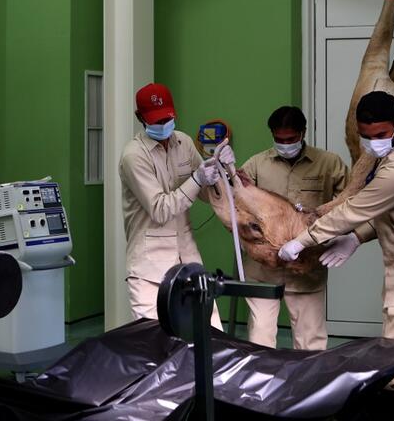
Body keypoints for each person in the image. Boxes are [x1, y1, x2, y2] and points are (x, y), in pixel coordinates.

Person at [278, 91, 394, 412]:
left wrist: (302, 240)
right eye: (365, 136)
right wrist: (357, 237)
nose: (372, 144)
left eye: (380, 135)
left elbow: (356, 208)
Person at [119, 82, 234, 329]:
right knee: (154, 345)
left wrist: (219, 171)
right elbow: (161, 209)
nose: (163, 126)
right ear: (140, 117)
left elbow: (204, 193)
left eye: (167, 118)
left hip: (187, 260)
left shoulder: (183, 142)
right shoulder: (134, 156)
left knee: (210, 335)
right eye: (156, 120)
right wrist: (196, 179)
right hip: (150, 268)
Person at [241, 106, 349, 350]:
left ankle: (310, 386)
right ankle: (262, 384)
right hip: (263, 267)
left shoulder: (328, 163)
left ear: (303, 133)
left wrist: (345, 236)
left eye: (291, 139)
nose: (285, 144)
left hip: (306, 264)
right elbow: (236, 202)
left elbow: (351, 203)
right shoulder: (257, 164)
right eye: (279, 140)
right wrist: (226, 176)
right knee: (260, 335)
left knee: (310, 338)